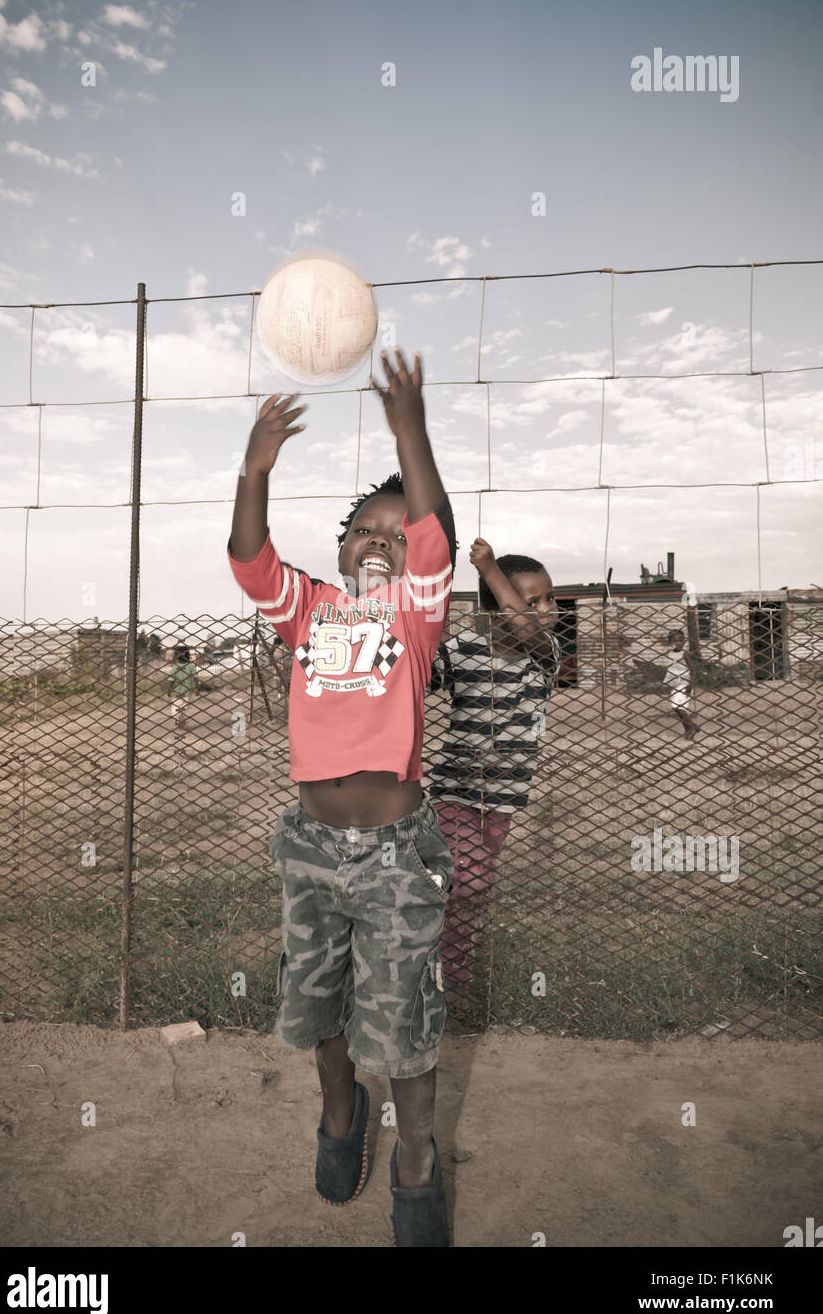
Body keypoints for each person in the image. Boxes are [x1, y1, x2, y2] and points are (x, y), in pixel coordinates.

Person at [227, 348, 457, 1247]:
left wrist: (409, 427)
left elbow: (434, 526)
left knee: (401, 1020)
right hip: (310, 851)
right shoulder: (311, 609)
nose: (382, 541)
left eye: (396, 537)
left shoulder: (416, 613)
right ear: (340, 548)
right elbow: (250, 559)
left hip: (398, 858)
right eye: (366, 529)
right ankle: (339, 1113)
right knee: (315, 1007)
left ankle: (417, 1160)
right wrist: (255, 466)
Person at [428, 539, 561, 989]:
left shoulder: (544, 655)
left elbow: (528, 633)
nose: (547, 609)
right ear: (495, 609)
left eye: (549, 598)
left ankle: (451, 962)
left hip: (505, 797)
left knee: (471, 888)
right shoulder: (461, 649)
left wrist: (490, 572)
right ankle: (446, 968)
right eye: (531, 602)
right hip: (455, 791)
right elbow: (419, 678)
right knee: (467, 881)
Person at [663, 628, 698, 739]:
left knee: (678, 707)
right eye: (675, 641)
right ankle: (693, 726)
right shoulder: (669, 654)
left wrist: (690, 686)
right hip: (675, 685)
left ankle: (690, 729)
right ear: (670, 642)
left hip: (684, 684)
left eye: (680, 641)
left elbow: (694, 670)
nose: (678, 643)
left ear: (684, 641)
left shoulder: (684, 654)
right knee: (676, 708)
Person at [167, 644, 196, 728]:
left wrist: (169, 689)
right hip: (187, 691)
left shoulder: (175, 667)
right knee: (185, 706)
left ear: (177, 656)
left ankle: (177, 718)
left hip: (176, 691)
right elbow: (195, 677)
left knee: (176, 705)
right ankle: (183, 721)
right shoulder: (190, 666)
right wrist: (197, 688)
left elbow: (171, 679)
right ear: (188, 656)